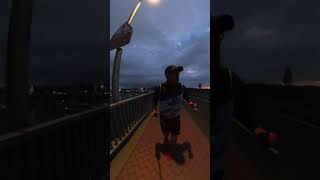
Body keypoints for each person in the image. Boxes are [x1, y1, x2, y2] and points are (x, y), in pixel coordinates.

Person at [212, 14, 278, 180]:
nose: (215, 44)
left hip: (216, 167)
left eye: (217, 38)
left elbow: (245, 113)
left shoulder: (229, 80)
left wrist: (259, 130)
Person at [152, 65, 198, 155]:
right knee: (165, 133)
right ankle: (166, 138)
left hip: (175, 118)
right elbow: (154, 100)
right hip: (164, 118)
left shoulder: (182, 87)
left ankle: (171, 149)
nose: (177, 75)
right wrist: (153, 110)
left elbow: (188, 99)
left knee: (174, 135)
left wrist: (191, 104)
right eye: (174, 73)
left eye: (178, 73)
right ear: (167, 75)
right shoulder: (160, 88)